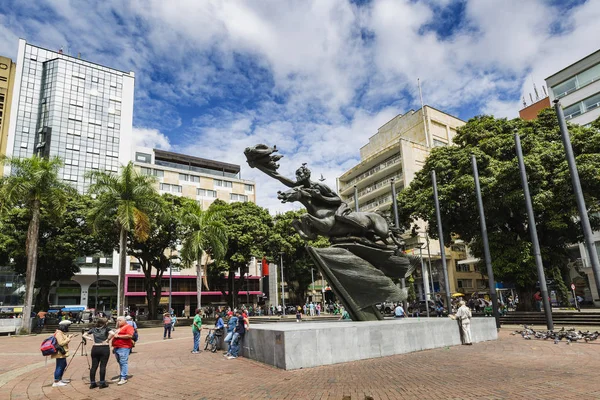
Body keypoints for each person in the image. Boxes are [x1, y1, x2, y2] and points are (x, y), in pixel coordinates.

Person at [83, 318, 114, 389]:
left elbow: (84, 335)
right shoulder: (106, 328)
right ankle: (102, 383)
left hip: (95, 348)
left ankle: (92, 383)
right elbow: (112, 333)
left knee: (94, 366)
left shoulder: (93, 329)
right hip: (104, 347)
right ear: (104, 323)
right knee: (103, 366)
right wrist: (108, 339)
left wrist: (89, 338)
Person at [112, 316, 134, 385]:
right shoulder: (119, 328)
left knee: (123, 362)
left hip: (124, 347)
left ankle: (123, 377)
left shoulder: (128, 327)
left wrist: (118, 336)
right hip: (117, 347)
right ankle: (121, 375)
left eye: (120, 320)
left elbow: (130, 335)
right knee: (120, 362)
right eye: (117, 321)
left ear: (124, 321)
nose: (118, 322)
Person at [51, 321, 73, 387]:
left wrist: (68, 336)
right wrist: (68, 339)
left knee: (63, 365)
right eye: (67, 326)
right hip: (59, 352)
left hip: (62, 352)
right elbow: (61, 343)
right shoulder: (58, 333)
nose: (68, 328)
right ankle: (56, 381)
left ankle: (60, 379)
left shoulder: (60, 333)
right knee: (59, 366)